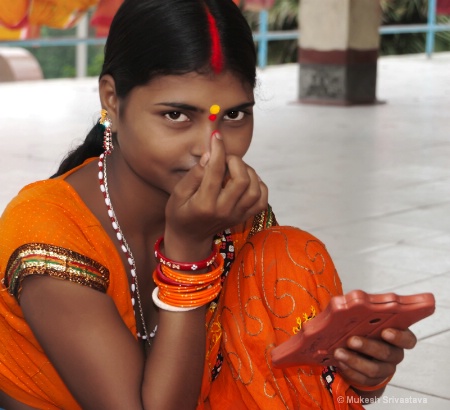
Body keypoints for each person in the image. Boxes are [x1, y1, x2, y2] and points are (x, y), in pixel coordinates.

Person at [0, 1, 417, 409]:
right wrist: (187, 251)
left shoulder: (230, 211)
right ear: (111, 97)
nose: (209, 147)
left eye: (233, 115)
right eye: (177, 115)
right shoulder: (47, 227)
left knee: (285, 255)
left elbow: (282, 373)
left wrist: (360, 373)